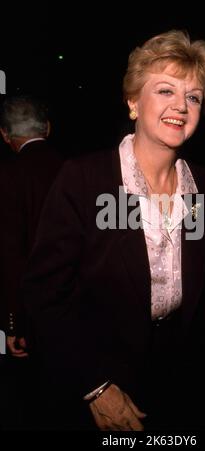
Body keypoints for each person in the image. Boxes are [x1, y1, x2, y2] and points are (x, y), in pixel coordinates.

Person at [22, 30, 205, 431]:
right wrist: (95, 386)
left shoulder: (201, 185)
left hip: (177, 372)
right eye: (165, 91)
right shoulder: (84, 180)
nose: (181, 106)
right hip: (96, 371)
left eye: (193, 96)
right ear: (133, 102)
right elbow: (45, 294)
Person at [0, 95, 63, 428]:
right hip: (79, 302)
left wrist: (13, 323)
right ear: (48, 128)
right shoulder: (75, 168)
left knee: (36, 401)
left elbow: (10, 255)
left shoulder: (8, 176)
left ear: (5, 135)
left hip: (35, 308)